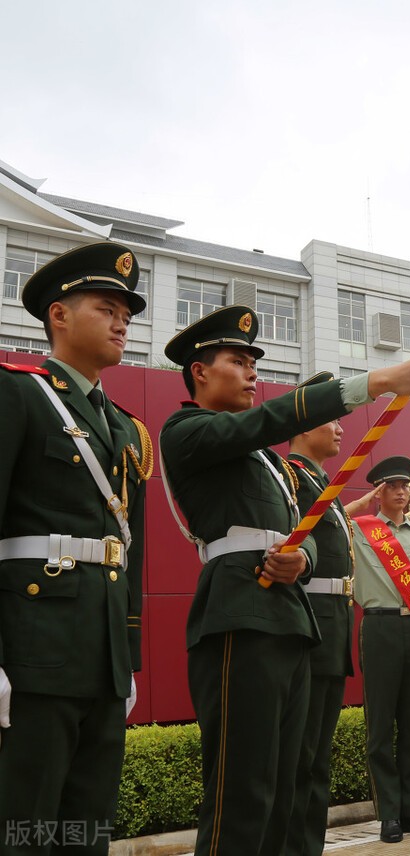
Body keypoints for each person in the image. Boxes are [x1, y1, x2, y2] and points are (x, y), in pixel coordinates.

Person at [159, 304, 410, 856]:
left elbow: (300, 532)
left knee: (285, 784)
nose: (251, 373)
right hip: (241, 610)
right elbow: (260, 423)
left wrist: (303, 560)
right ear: (200, 371)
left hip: (290, 615)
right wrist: (377, 381)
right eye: (238, 361)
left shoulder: (264, 462)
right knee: (243, 788)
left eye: (253, 363)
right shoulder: (188, 430)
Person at [0, 242, 150, 855]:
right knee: (25, 825)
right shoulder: (17, 394)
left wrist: (129, 656)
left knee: (87, 827)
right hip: (34, 652)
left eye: (127, 313)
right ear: (58, 315)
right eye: (105, 307)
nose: (121, 322)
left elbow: (126, 547)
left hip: (103, 655)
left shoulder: (125, 428)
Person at [350, 455, 410, 843]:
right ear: (378, 491)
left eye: (405, 485)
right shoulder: (359, 529)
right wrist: (359, 504)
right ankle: (388, 814)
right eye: (392, 485)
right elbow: (323, 517)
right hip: (380, 627)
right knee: (380, 725)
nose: (402, 491)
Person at [281, 373, 357, 856]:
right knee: (298, 754)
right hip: (309, 624)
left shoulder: (321, 481)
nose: (341, 429)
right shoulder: (289, 476)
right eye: (331, 418)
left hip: (334, 625)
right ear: (303, 421)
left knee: (317, 756)